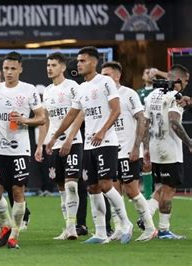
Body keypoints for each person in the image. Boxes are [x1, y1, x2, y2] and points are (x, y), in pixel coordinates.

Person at [47, 46, 132, 244]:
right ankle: (101, 233)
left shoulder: (105, 82)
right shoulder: (82, 87)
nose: (79, 64)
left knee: (105, 184)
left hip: (106, 142)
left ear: (93, 62)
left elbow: (116, 109)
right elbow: (71, 115)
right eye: (78, 61)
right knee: (93, 188)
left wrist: (102, 131)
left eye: (82, 61)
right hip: (88, 145)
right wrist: (55, 137)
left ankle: (125, 223)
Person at [0, 51, 46, 249]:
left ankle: (14, 234)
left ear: (20, 69)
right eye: (6, 68)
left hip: (20, 149)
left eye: (13, 68)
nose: (9, 72)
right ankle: (5, 225)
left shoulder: (29, 90)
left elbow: (42, 118)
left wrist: (24, 120)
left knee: (17, 191)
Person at [101, 61, 157, 241]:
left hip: (128, 150)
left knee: (132, 191)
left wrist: (137, 147)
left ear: (117, 76)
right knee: (114, 192)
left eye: (107, 75)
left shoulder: (128, 94)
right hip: (111, 150)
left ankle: (150, 227)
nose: (104, 79)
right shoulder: (103, 97)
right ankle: (119, 228)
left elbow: (142, 120)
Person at [37, 52, 83, 240]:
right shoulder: (47, 91)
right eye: (48, 65)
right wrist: (42, 144)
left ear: (63, 67)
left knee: (72, 184)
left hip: (73, 142)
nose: (49, 68)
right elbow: (46, 120)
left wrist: (70, 138)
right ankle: (68, 227)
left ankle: (72, 226)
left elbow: (80, 113)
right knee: (61, 187)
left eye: (54, 65)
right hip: (53, 145)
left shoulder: (72, 86)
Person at [143, 64, 191, 239]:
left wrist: (145, 147)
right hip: (170, 148)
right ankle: (163, 229)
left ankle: (147, 216)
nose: (186, 84)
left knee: (161, 187)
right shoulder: (174, 97)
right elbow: (173, 122)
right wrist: (189, 142)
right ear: (178, 80)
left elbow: (145, 123)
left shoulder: (152, 96)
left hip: (155, 147)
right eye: (185, 80)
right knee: (169, 190)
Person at [136, 67, 167, 200]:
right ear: (143, 76)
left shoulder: (160, 91)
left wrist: (159, 72)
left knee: (159, 162)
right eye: (147, 72)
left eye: (152, 73)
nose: (150, 75)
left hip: (158, 132)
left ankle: (160, 190)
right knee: (146, 163)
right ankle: (148, 195)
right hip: (143, 132)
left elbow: (174, 80)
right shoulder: (138, 93)